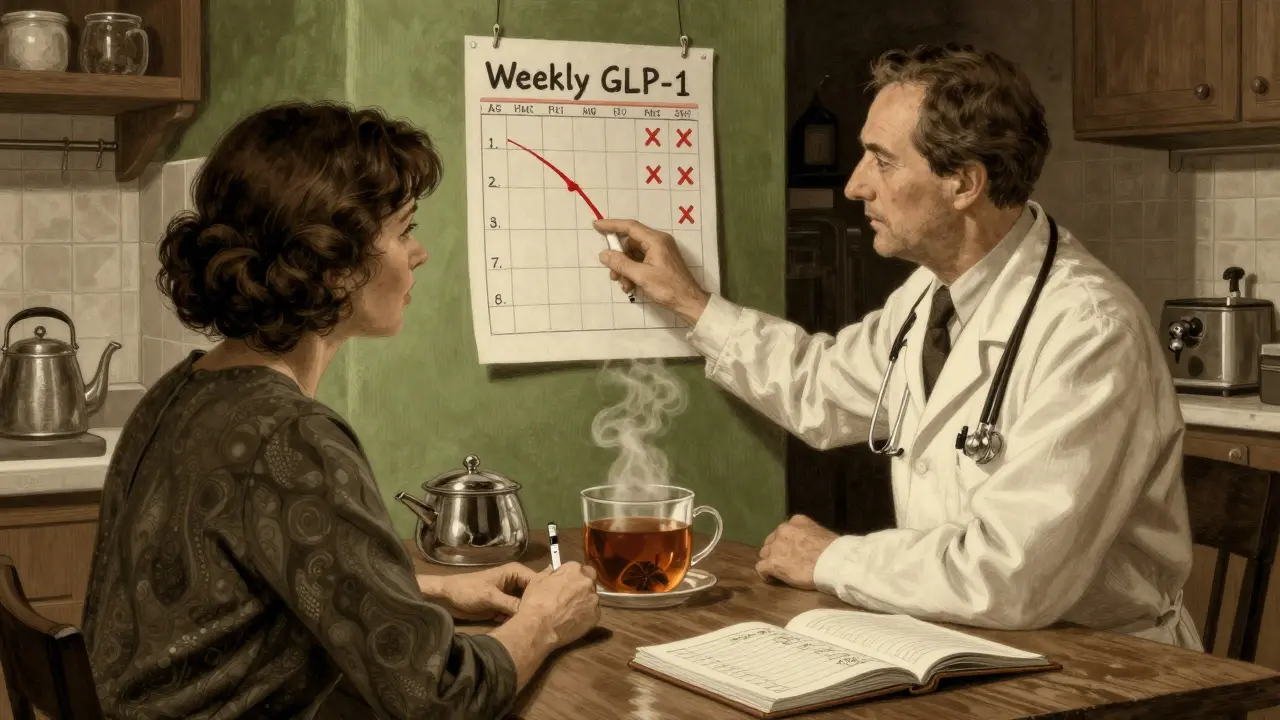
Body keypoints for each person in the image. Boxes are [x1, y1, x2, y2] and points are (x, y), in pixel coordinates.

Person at [595, 44, 1201, 650]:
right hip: (965, 642)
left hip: (1108, 665)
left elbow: (1012, 575)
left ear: (964, 183)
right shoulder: (929, 296)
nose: (856, 185)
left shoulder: (1089, 329)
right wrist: (692, 304)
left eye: (881, 162)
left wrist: (832, 559)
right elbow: (820, 387)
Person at [80, 101, 601, 719]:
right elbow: (436, 699)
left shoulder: (181, 390)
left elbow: (238, 591)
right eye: (404, 230)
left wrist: (423, 592)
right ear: (331, 267)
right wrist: (544, 619)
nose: (419, 254)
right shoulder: (290, 438)